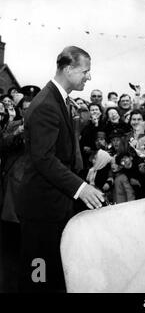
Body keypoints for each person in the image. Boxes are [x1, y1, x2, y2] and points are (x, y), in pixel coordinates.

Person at [16, 46, 105, 292]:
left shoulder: (60, 101)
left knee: (52, 273)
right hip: (41, 208)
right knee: (39, 274)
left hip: (55, 204)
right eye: (85, 71)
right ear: (68, 69)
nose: (89, 77)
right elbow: (44, 159)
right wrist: (81, 188)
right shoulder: (46, 104)